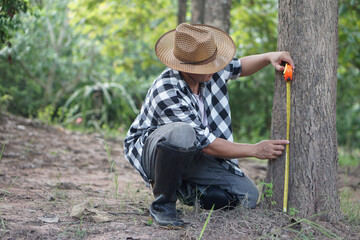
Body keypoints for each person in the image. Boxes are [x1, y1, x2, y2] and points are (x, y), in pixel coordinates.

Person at [124, 23, 294, 228]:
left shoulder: (211, 71)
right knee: (182, 133)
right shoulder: (166, 88)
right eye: (205, 68)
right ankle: (163, 206)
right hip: (154, 152)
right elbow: (207, 143)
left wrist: (268, 57)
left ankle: (181, 187)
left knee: (247, 196)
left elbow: (239, 66)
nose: (213, 70)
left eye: (213, 65)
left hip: (194, 152)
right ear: (185, 67)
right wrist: (254, 149)